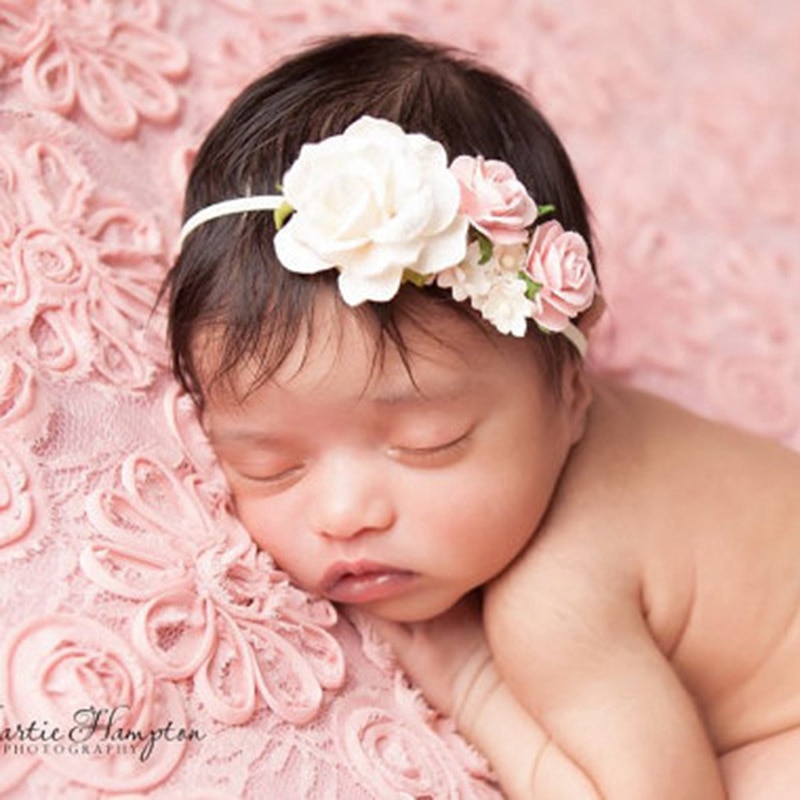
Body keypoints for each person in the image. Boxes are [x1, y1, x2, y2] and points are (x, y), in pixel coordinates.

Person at [164, 32, 800, 799]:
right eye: (270, 464)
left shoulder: (553, 599)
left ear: (571, 391)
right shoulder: (589, 435)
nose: (343, 514)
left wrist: (472, 683)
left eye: (429, 443)